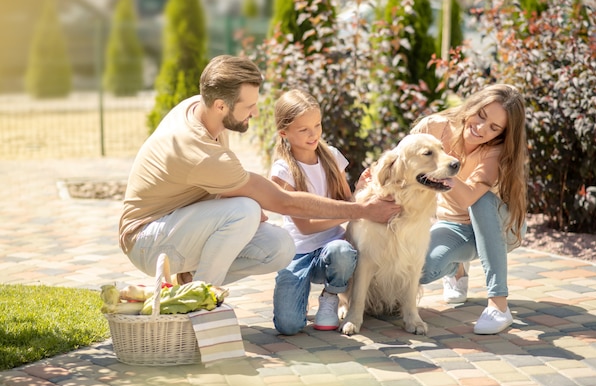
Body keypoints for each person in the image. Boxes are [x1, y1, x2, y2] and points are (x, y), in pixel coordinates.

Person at [118, 55, 400, 287]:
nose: (254, 113)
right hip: (146, 241)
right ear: (220, 105)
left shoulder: (200, 107)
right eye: (249, 106)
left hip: (178, 225)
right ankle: (203, 301)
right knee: (245, 211)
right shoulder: (199, 150)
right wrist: (363, 210)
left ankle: (189, 281)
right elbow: (284, 202)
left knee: (279, 247)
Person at [411, 83, 528, 334]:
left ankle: (499, 305)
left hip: (500, 226)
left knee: (481, 200)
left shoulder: (496, 150)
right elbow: (403, 166)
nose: (480, 128)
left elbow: (469, 198)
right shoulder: (434, 128)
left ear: (503, 133)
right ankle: (457, 267)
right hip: (455, 225)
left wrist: (442, 168)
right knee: (418, 270)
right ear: (473, 105)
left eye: (494, 127)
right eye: (481, 116)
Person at [270, 89, 357, 335]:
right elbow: (305, 226)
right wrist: (353, 212)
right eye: (304, 129)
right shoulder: (283, 170)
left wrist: (355, 203)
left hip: (331, 247)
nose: (313, 134)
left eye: (317, 125)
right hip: (297, 253)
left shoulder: (332, 158)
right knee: (288, 326)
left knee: (342, 251)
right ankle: (298, 293)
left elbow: (347, 200)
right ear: (284, 133)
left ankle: (331, 297)